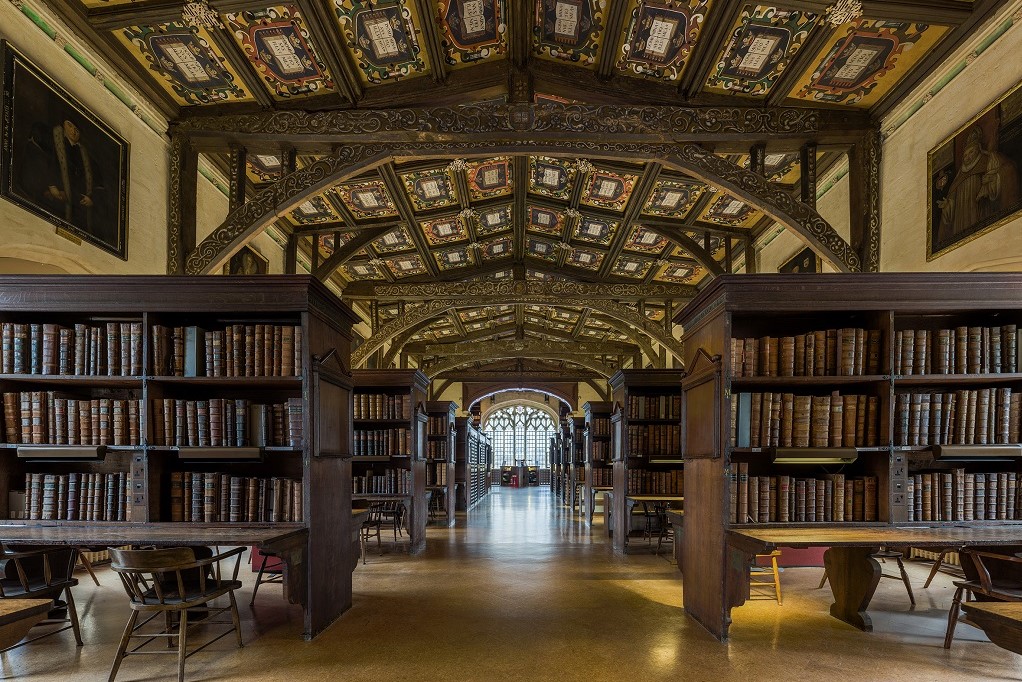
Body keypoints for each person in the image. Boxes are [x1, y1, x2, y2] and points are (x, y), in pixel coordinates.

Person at [937, 125, 1019, 245]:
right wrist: (948, 206)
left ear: (979, 150)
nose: (968, 157)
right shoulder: (958, 178)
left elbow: (1007, 171)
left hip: (981, 213)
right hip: (960, 222)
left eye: (971, 152)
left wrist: (994, 181)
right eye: (965, 155)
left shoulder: (988, 161)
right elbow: (951, 206)